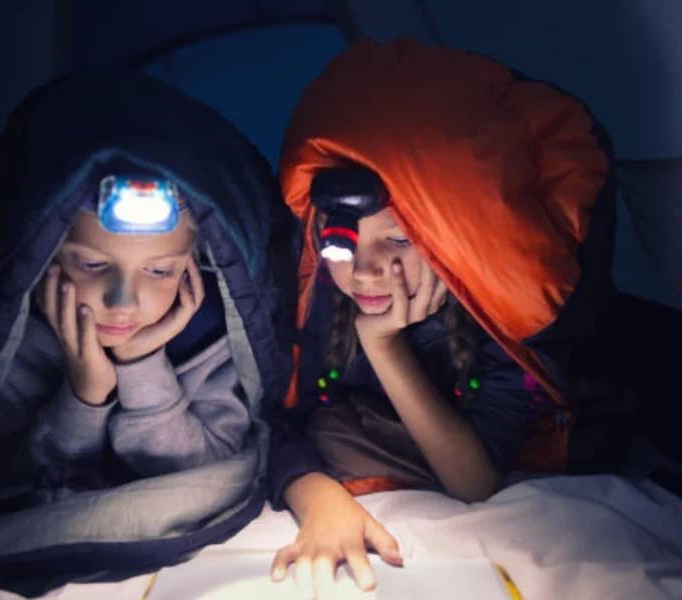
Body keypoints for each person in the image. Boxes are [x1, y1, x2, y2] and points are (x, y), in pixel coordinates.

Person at [0, 70, 297, 583]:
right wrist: (85, 393)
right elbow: (7, 478)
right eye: (93, 264)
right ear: (46, 254)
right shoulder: (17, 336)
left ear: (193, 266)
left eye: (158, 271)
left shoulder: (214, 337)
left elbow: (200, 470)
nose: (123, 301)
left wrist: (141, 366)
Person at [267, 38, 624, 599]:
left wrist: (384, 346)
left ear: (447, 240)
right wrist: (316, 493)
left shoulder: (496, 316)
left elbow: (474, 482)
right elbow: (281, 421)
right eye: (344, 244)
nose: (368, 272)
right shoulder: (318, 298)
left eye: (399, 240)